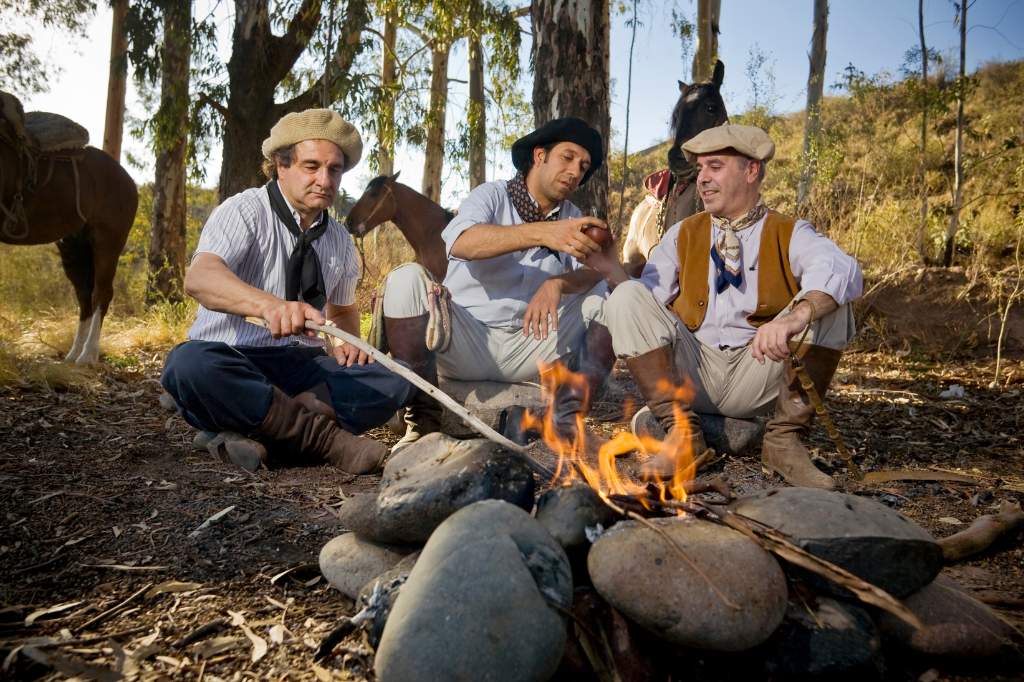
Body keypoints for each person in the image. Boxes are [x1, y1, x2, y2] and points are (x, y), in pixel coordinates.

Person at [591, 124, 863, 489]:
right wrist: (612, 270)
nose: (702, 178)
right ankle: (683, 435)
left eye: (714, 166)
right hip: (693, 372)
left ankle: (783, 442)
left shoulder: (790, 231)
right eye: (700, 169)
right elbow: (644, 305)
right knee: (626, 296)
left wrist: (794, 318)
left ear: (751, 171)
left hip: (759, 370)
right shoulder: (682, 233)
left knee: (830, 303)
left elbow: (841, 268)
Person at [161, 109, 415, 473]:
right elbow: (201, 277)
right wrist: (270, 306)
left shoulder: (340, 239)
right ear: (281, 165)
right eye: (311, 166)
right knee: (188, 366)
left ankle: (250, 429)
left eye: (335, 170)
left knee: (395, 376)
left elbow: (341, 311)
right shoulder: (244, 211)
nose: (325, 180)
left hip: (302, 367)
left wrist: (348, 345)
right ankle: (326, 441)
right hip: (236, 359)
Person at [378, 117, 621, 454]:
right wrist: (545, 232)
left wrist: (558, 284)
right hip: (465, 340)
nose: (575, 171)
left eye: (583, 166)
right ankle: (423, 424)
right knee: (404, 279)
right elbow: (461, 242)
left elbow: (592, 272)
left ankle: (567, 422)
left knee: (609, 293)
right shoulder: (492, 195)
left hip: (532, 343)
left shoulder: (573, 214)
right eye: (567, 157)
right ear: (539, 156)